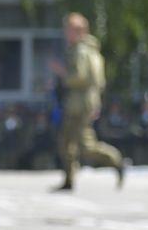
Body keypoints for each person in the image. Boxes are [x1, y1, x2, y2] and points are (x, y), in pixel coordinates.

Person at [53, 13, 125, 192]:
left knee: (85, 145)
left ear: (79, 31)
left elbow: (81, 77)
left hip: (81, 105)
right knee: (66, 142)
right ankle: (69, 179)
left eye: (69, 29)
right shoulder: (80, 49)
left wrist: (61, 73)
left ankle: (116, 160)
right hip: (75, 103)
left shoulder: (82, 51)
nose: (66, 33)